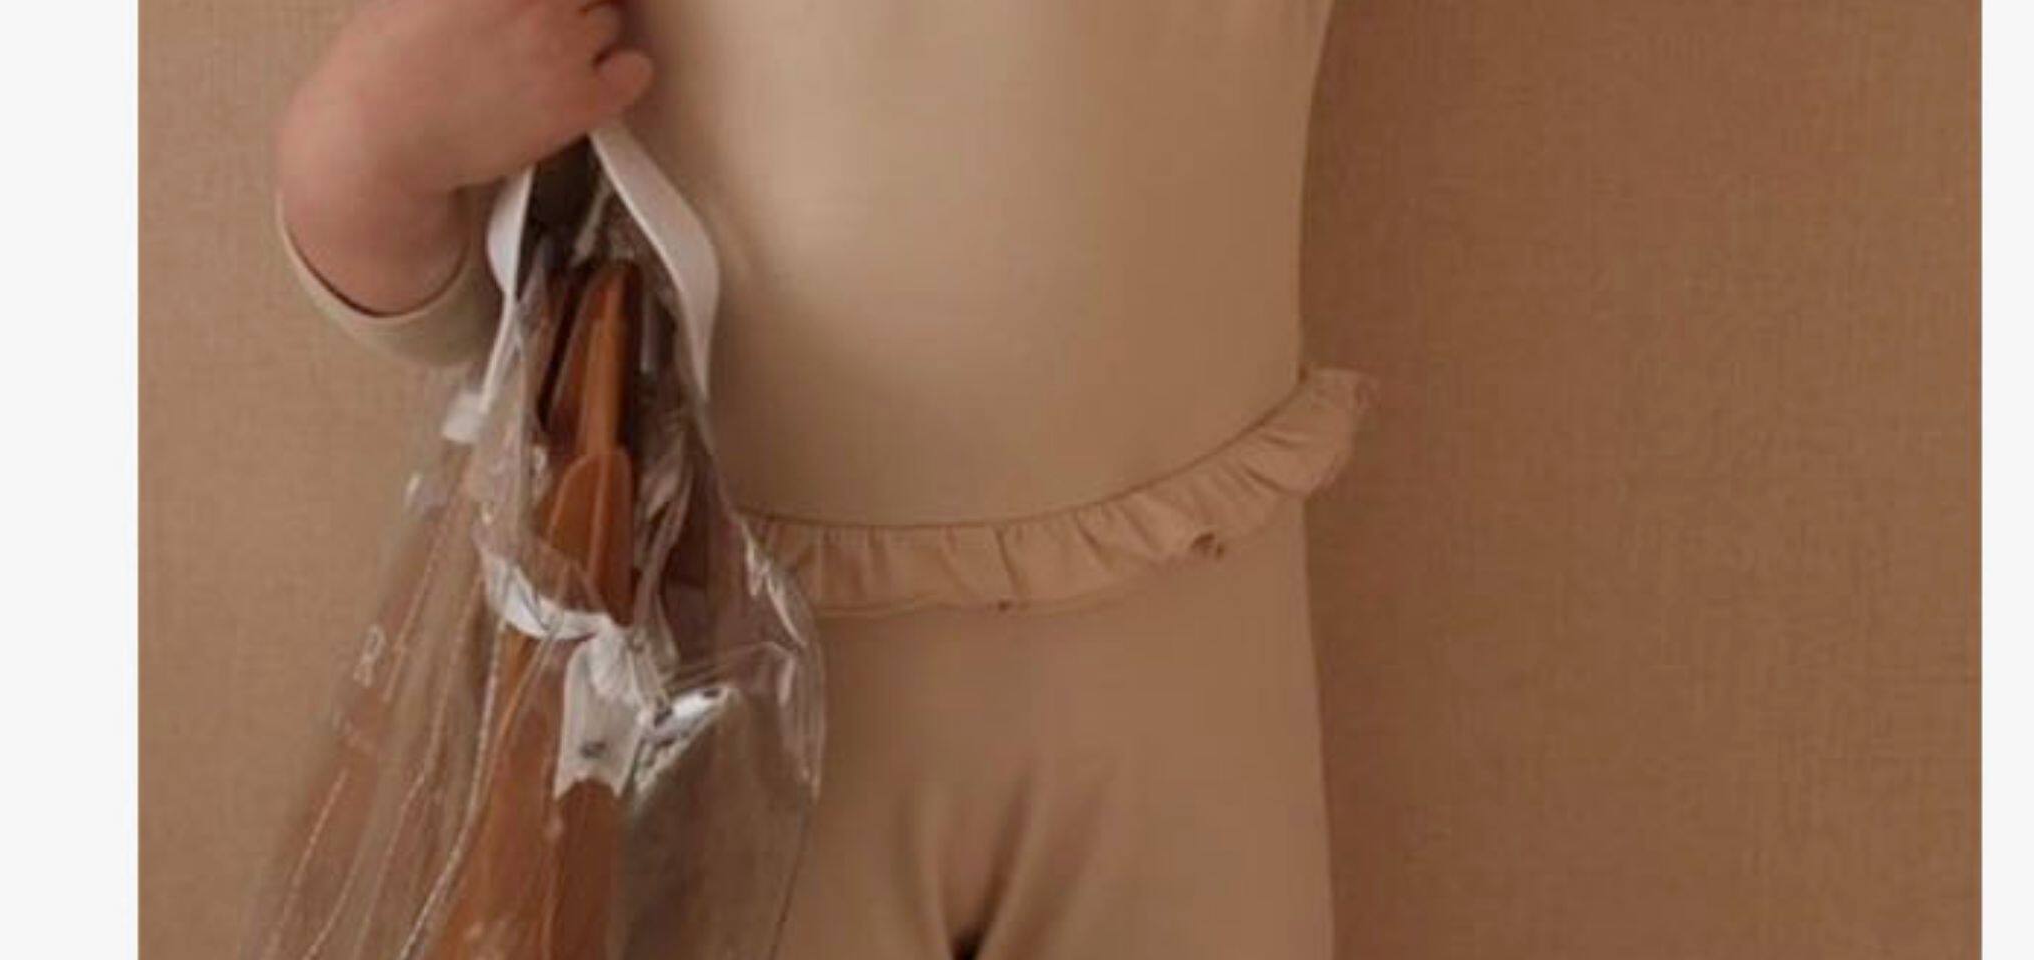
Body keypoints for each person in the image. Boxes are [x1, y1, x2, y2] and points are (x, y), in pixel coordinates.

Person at [275, 0, 1372, 956]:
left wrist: (365, 156)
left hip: (1185, 637)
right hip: (723, 673)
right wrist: (362, 152)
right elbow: (464, 275)